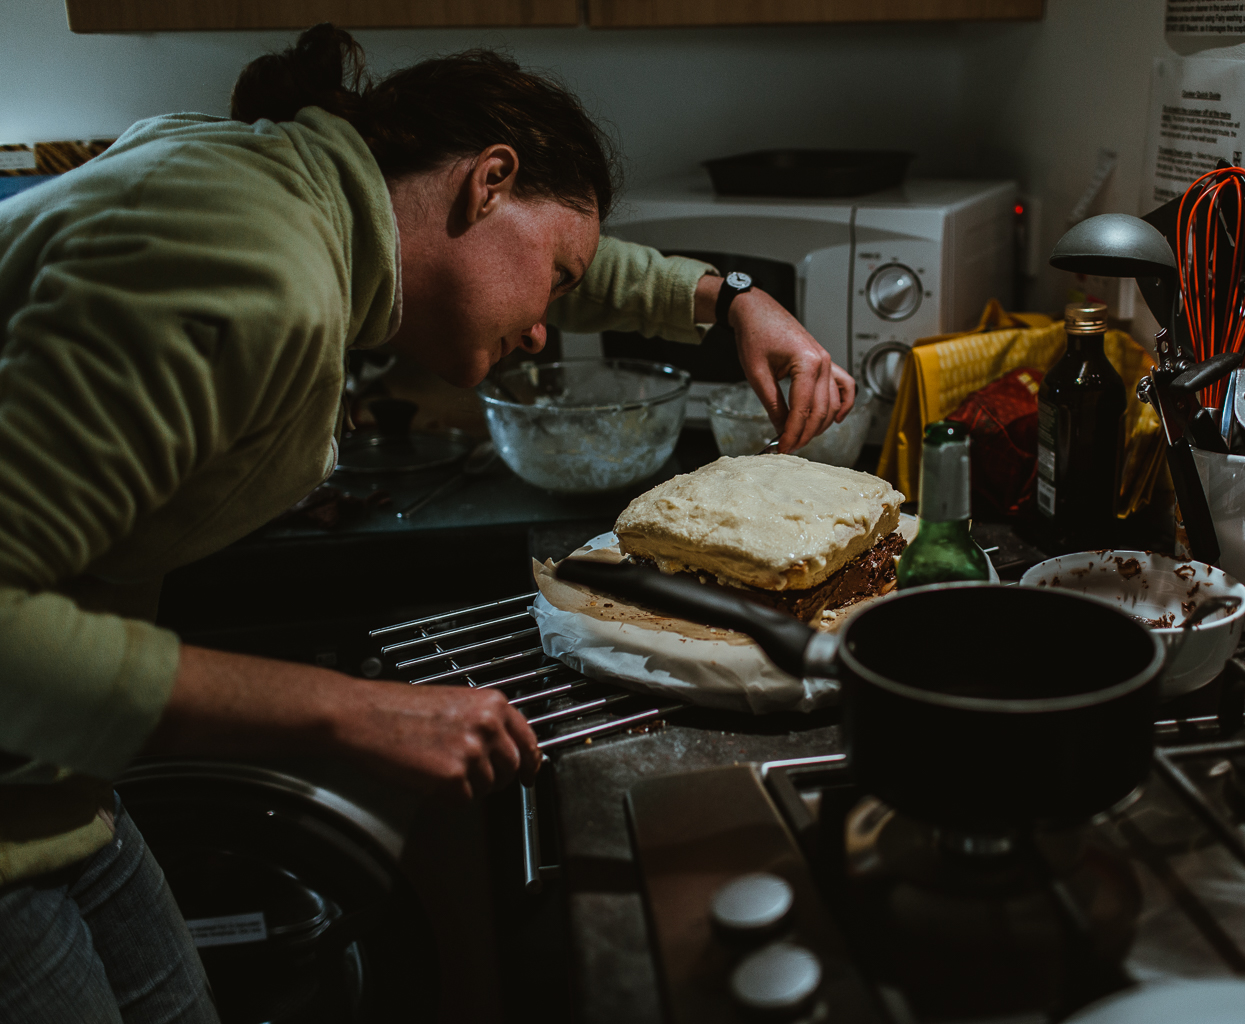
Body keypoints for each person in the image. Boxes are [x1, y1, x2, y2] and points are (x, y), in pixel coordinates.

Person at [0, 23, 856, 1022]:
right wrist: (353, 709)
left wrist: (731, 299)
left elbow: (575, 259)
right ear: (488, 180)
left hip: (54, 791)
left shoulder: (285, 180)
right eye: (558, 284)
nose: (547, 326)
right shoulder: (259, 270)